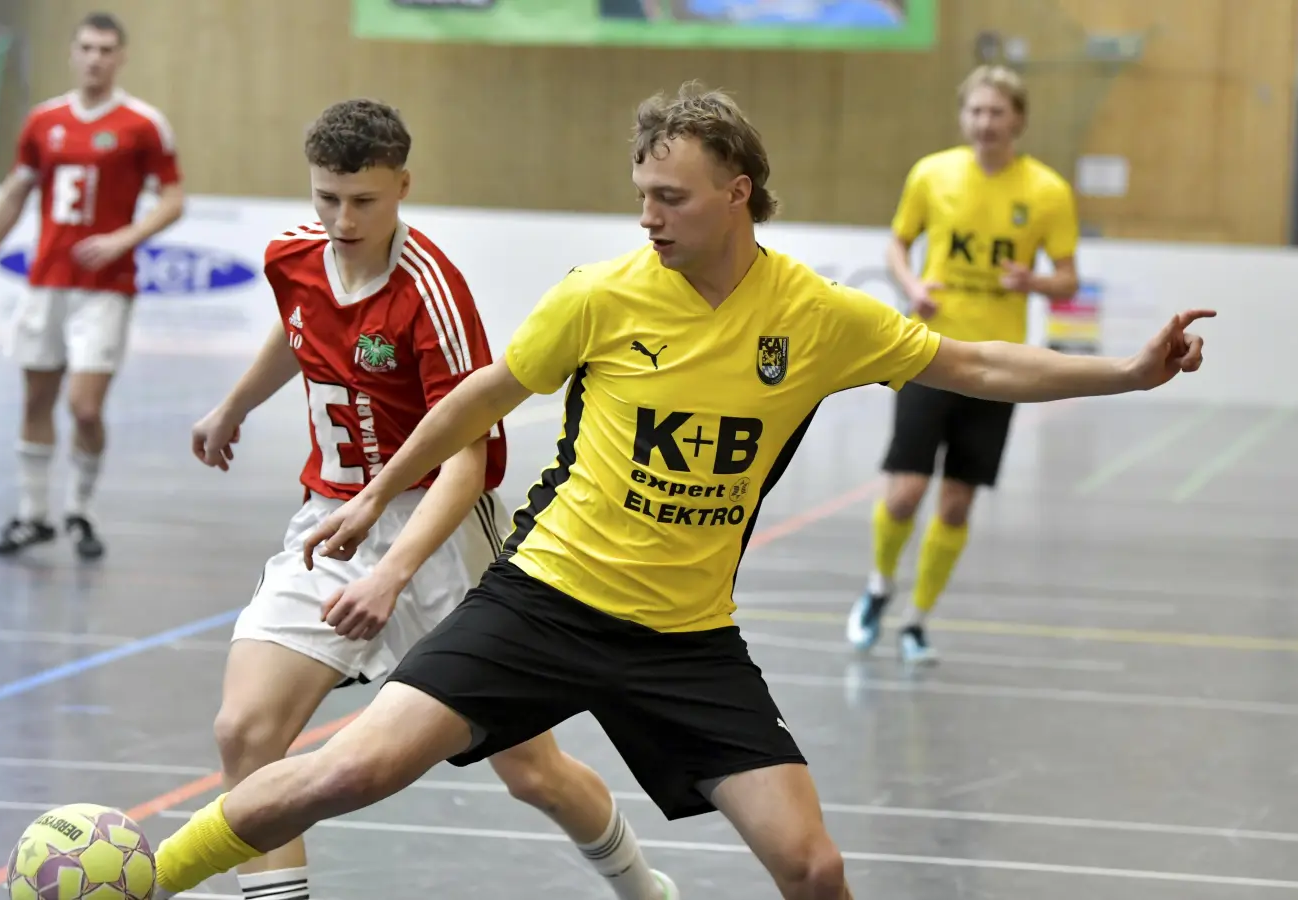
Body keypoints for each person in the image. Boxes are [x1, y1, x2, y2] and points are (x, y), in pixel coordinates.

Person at [142, 82, 1210, 900]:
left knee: (812, 867)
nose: (647, 215)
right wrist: (377, 497)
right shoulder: (601, 296)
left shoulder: (816, 316)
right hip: (544, 601)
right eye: (641, 195)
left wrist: (1127, 371)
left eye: (670, 197)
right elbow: (482, 398)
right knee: (347, 772)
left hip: (686, 637)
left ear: (737, 193)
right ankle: (141, 880)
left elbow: (974, 363)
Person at [186, 98, 677, 900]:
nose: (344, 220)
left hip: (440, 535)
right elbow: (298, 326)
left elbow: (467, 458)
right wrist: (233, 406)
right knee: (245, 731)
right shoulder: (293, 257)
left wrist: (393, 575)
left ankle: (642, 890)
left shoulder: (430, 292)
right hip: (329, 522)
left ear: (403, 186)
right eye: (327, 198)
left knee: (531, 770)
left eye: (364, 201)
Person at [848, 64, 1081, 663]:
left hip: (998, 367)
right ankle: (879, 586)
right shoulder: (932, 173)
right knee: (905, 492)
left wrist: (1034, 281)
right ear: (962, 117)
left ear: (1018, 120)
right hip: (930, 351)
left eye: (997, 112)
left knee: (955, 502)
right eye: (976, 111)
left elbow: (1068, 279)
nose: (985, 122)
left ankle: (917, 620)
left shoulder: (1047, 190)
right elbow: (898, 242)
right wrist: (911, 286)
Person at [0, 11, 184, 561]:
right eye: (86, 48)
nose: (95, 59)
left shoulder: (143, 124)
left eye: (105, 50)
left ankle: (80, 509)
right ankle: (33, 516)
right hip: (47, 283)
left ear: (121, 57)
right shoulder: (44, 121)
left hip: (105, 289)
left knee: (84, 407)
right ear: (72, 53)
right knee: (36, 399)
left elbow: (174, 199)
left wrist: (124, 238)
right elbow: (15, 196)